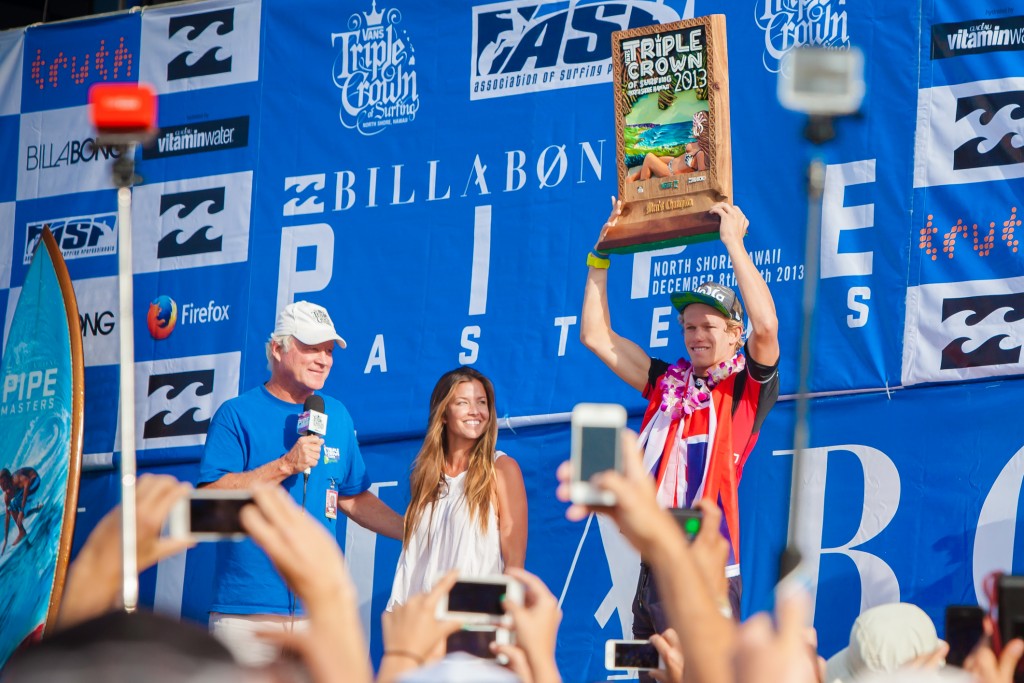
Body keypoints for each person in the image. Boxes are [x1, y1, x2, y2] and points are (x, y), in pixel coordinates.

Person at [580, 201, 780, 648]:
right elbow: (595, 335)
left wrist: (734, 244)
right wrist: (600, 256)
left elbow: (766, 326)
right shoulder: (666, 384)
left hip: (705, 566)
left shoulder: (745, 390)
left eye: (708, 325)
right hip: (655, 563)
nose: (696, 336)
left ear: (734, 334)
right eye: (689, 327)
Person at [198, 300, 404, 666]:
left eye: (328, 350)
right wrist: (285, 465)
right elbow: (205, 506)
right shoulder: (236, 414)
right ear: (277, 349)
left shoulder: (335, 414)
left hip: (318, 611)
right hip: (248, 612)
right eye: (311, 348)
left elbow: (352, 497)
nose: (323, 359)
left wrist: (413, 530)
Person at [388, 367, 528, 609]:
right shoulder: (424, 476)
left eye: (481, 402)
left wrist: (505, 617)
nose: (475, 411)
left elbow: (514, 561)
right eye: (463, 403)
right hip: (420, 621)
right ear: (443, 414)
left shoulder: (502, 469)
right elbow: (416, 556)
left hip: (473, 622)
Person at [1, 466, 41, 552]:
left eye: (4, 483)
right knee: (16, 513)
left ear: (9, 479)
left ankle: (22, 532)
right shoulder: (7, 496)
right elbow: (8, 516)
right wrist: (6, 540)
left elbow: (27, 484)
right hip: (28, 487)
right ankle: (36, 509)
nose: (2, 487)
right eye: (0, 484)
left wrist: (22, 510)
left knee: (16, 509)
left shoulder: (16, 479)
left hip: (34, 480)